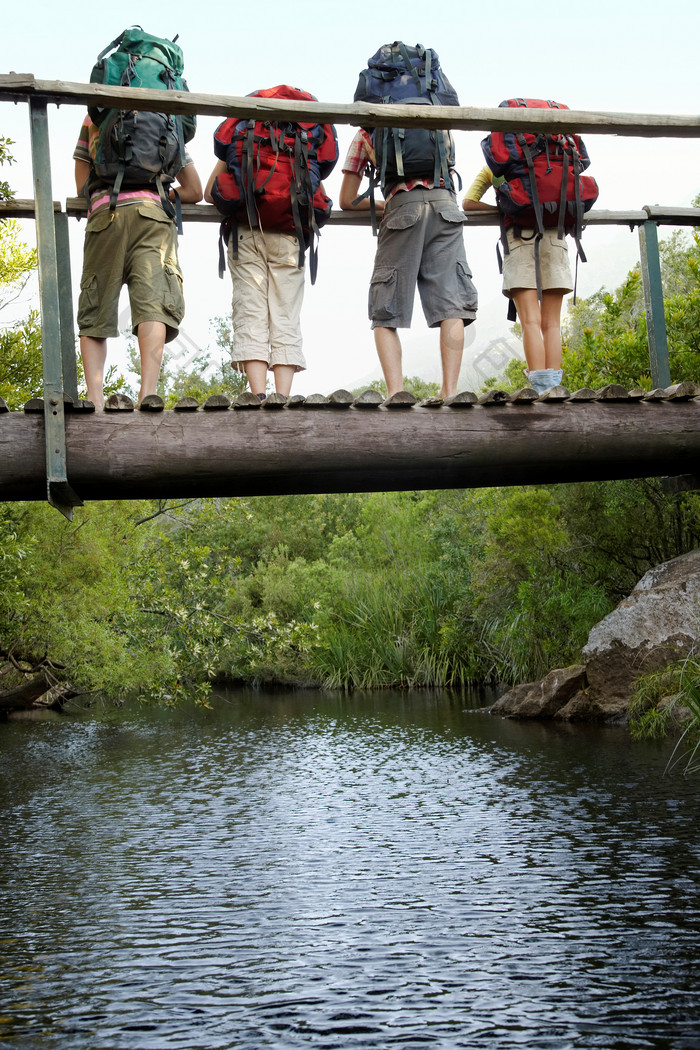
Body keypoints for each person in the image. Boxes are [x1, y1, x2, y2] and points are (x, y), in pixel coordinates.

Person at [74, 115, 203, 408]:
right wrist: (161, 192)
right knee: (154, 305)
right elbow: (195, 190)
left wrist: (99, 199)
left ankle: (94, 399)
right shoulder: (166, 116)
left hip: (105, 215)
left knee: (96, 307)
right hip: (153, 217)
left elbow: (82, 180)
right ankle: (148, 393)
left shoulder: (98, 114)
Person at [339, 128, 478, 400]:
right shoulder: (437, 121)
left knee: (386, 306)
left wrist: (390, 203)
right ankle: (449, 391)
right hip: (446, 207)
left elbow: (346, 199)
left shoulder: (369, 130)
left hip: (401, 208)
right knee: (451, 303)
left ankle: (396, 392)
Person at [204, 160, 307, 399]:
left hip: (246, 232)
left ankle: (258, 395)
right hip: (290, 233)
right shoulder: (299, 134)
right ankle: (282, 396)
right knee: (286, 314)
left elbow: (211, 193)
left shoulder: (242, 131)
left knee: (251, 311)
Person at [463, 165, 569, 395]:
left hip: (519, 239)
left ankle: (541, 390)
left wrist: (506, 210)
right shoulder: (552, 158)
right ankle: (555, 390)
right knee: (552, 323)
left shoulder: (495, 164)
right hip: (555, 235)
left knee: (530, 321)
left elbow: (468, 203)